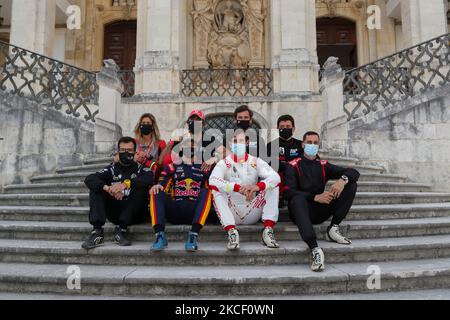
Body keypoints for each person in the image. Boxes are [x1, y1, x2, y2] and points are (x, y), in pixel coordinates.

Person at [284, 131, 360, 272]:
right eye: (309, 142)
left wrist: (342, 181)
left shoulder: (323, 165)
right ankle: (315, 249)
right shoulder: (292, 165)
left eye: (315, 143)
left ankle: (333, 227)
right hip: (300, 211)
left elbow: (354, 172)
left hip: (320, 210)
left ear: (319, 145)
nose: (312, 145)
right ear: (303, 144)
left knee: (351, 184)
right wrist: (314, 197)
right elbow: (288, 192)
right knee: (297, 199)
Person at [209, 130, 281, 251]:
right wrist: (237, 188)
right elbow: (213, 180)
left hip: (252, 210)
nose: (238, 144)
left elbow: (276, 177)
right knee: (216, 190)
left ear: (247, 142)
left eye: (241, 141)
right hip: (232, 212)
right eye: (235, 141)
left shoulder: (255, 161)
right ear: (230, 144)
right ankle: (232, 232)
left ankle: (268, 230)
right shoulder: (224, 162)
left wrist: (256, 187)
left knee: (273, 186)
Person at [82, 137, 154, 250]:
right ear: (118, 151)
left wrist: (125, 185)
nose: (126, 153)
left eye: (129, 150)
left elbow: (149, 178)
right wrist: (108, 188)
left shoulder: (141, 169)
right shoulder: (112, 169)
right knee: (97, 187)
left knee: (141, 187)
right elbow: (90, 178)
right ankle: (97, 232)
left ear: (135, 152)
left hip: (135, 214)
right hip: (115, 211)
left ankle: (121, 230)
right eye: (123, 150)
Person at [149, 138, 212, 252]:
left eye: (193, 146)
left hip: (195, 213)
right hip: (175, 211)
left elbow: (212, 188)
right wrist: (158, 186)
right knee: (156, 190)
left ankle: (193, 234)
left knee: (207, 192)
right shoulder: (171, 167)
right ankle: (159, 235)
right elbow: (162, 184)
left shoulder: (205, 168)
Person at [267, 115, 303, 204]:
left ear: (293, 129)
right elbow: (270, 163)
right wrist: (289, 165)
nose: (285, 129)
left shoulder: (300, 145)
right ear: (277, 129)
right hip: (278, 178)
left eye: (288, 127)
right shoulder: (270, 145)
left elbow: (304, 163)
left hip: (296, 178)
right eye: (282, 127)